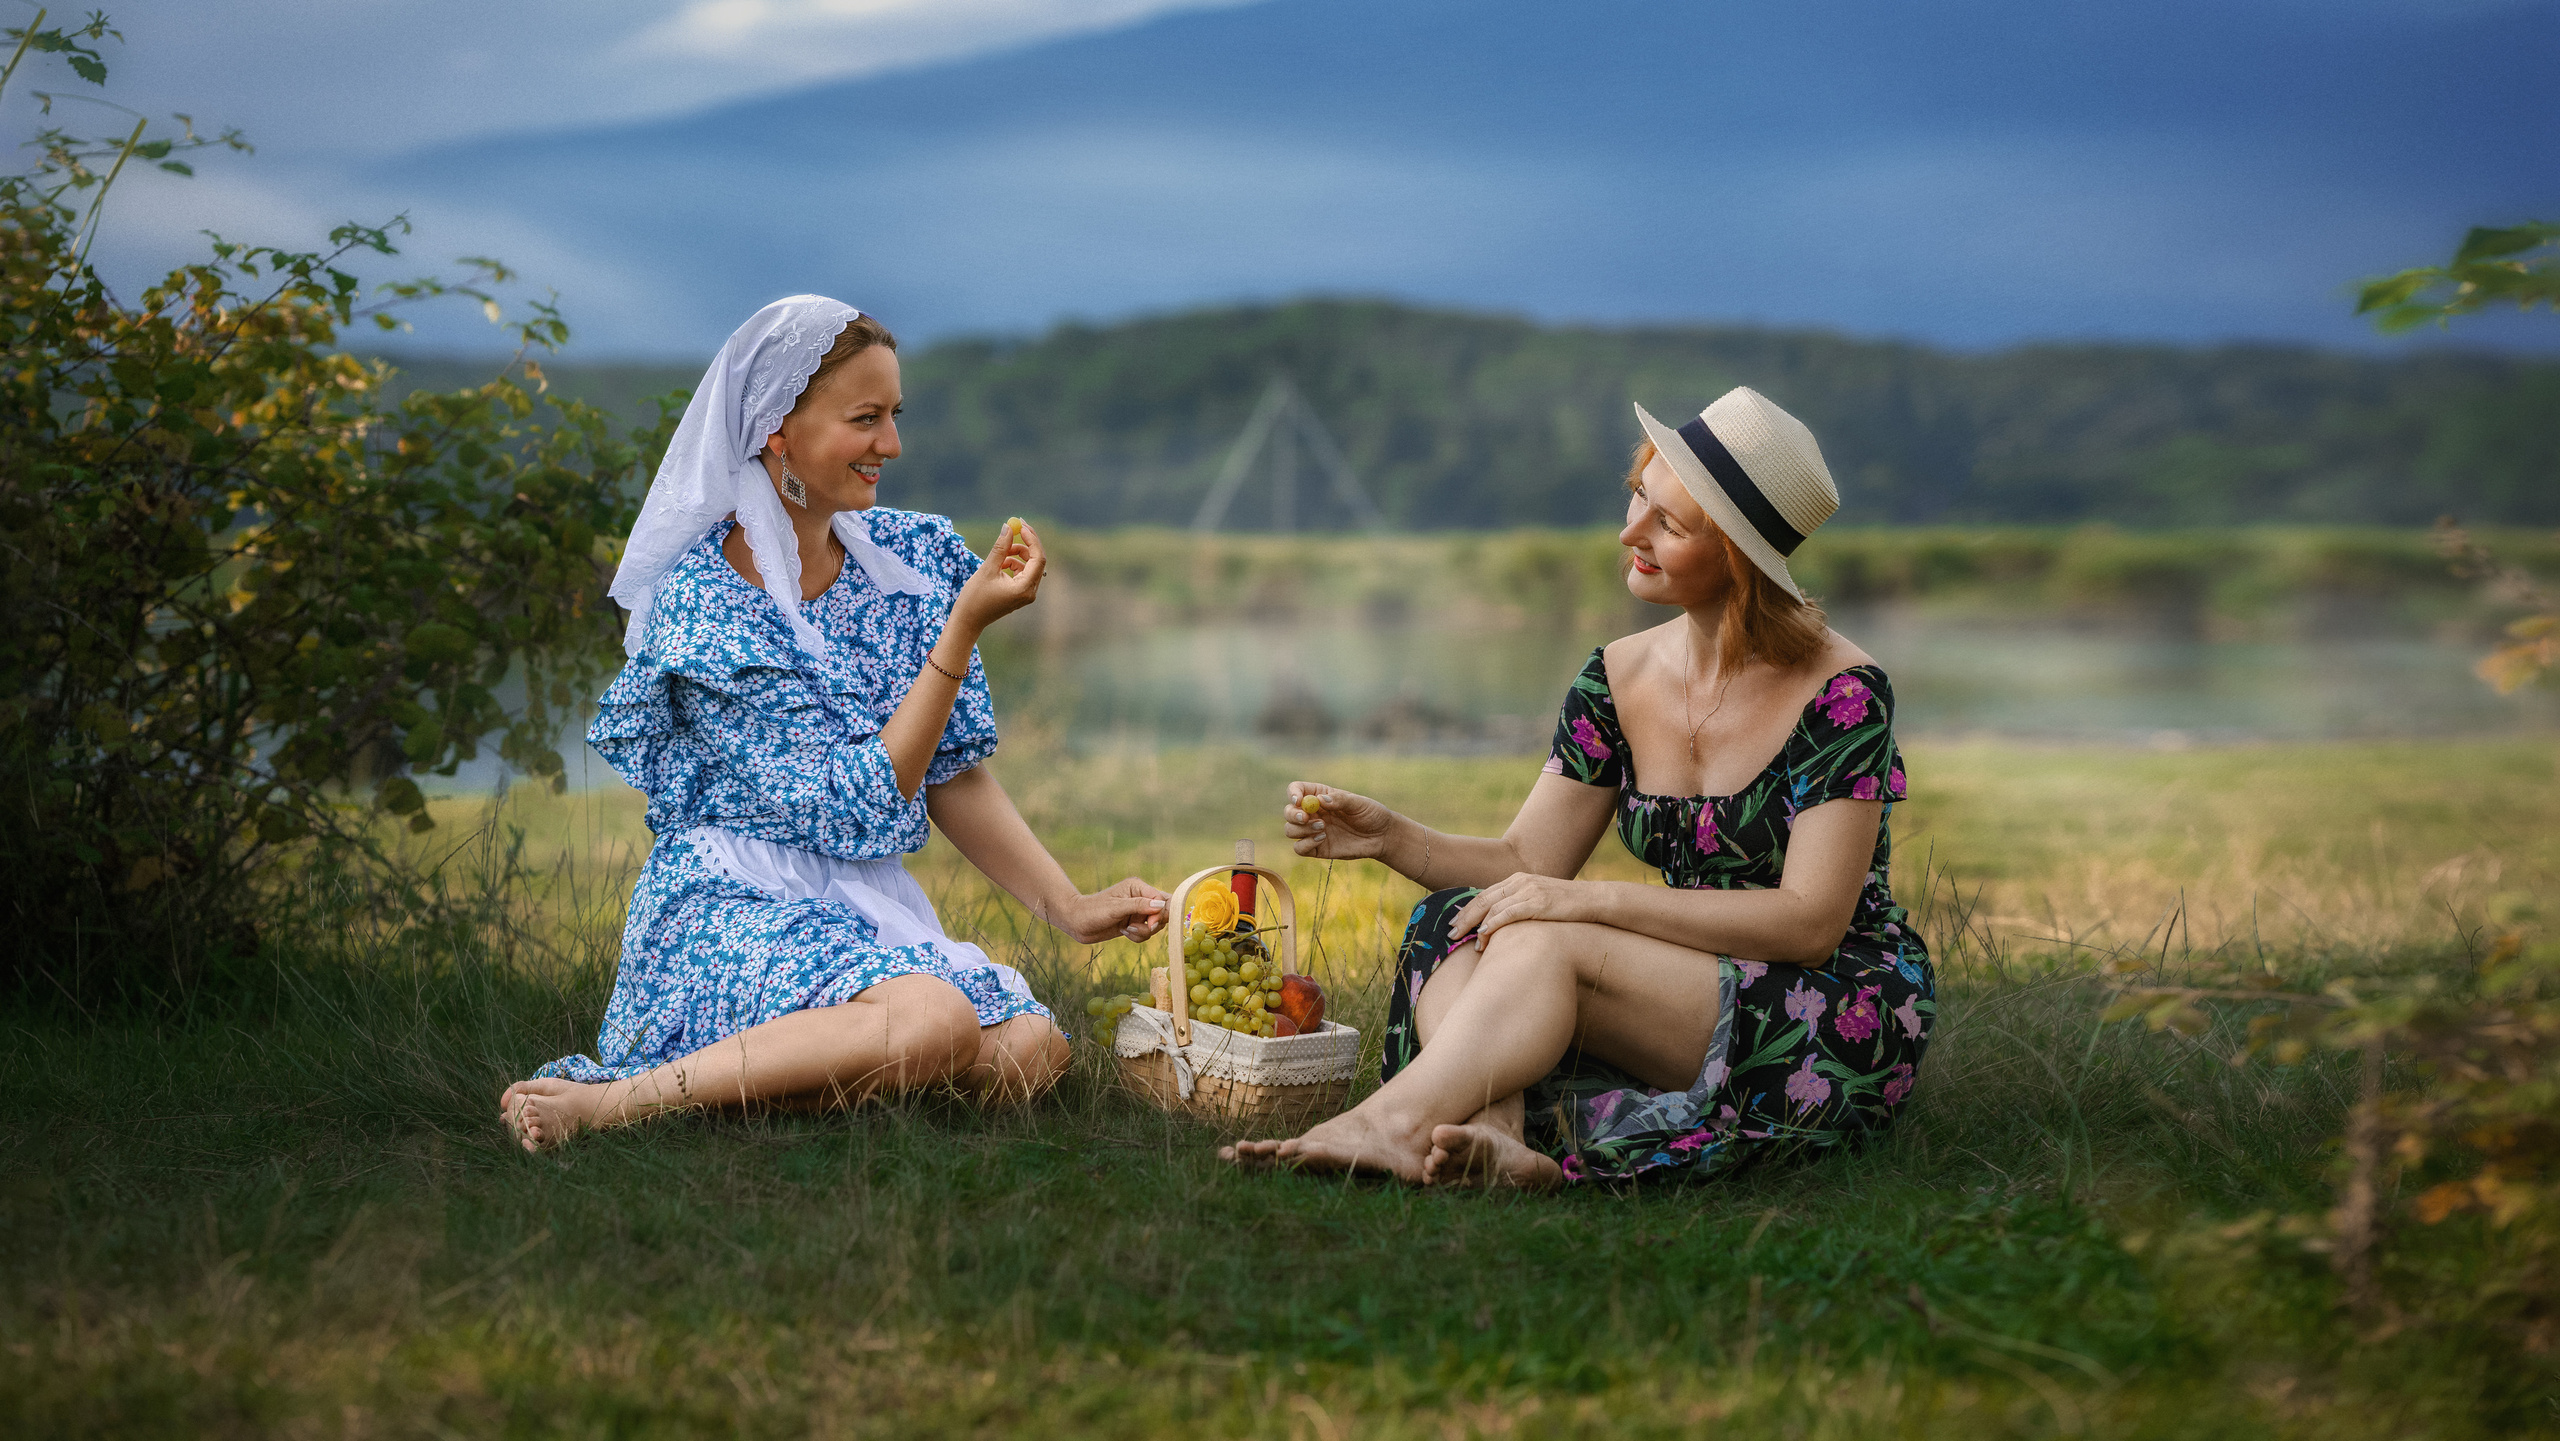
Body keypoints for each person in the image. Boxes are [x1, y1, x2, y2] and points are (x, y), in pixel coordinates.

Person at [501, 295, 1169, 1151]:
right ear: (777, 429)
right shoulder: (711, 606)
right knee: (934, 1024)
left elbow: (949, 769)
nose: (891, 444)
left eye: (895, 415)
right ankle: (622, 1101)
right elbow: (849, 808)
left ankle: (764, 1086)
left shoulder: (913, 558)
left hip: (855, 896)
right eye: (866, 418)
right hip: (731, 898)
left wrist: (1070, 907)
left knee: (1032, 1052)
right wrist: (959, 633)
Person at [1227, 388, 1933, 1187]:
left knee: (1544, 931)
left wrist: (1584, 901)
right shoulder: (1615, 677)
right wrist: (1394, 838)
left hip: (1830, 1008)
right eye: (1639, 496)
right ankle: (1494, 1140)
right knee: (1451, 918)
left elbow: (1809, 923)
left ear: (1736, 554)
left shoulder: (1844, 693)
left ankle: (1393, 1120)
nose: (1631, 531)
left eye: (1670, 523)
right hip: (1683, 984)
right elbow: (1529, 857)